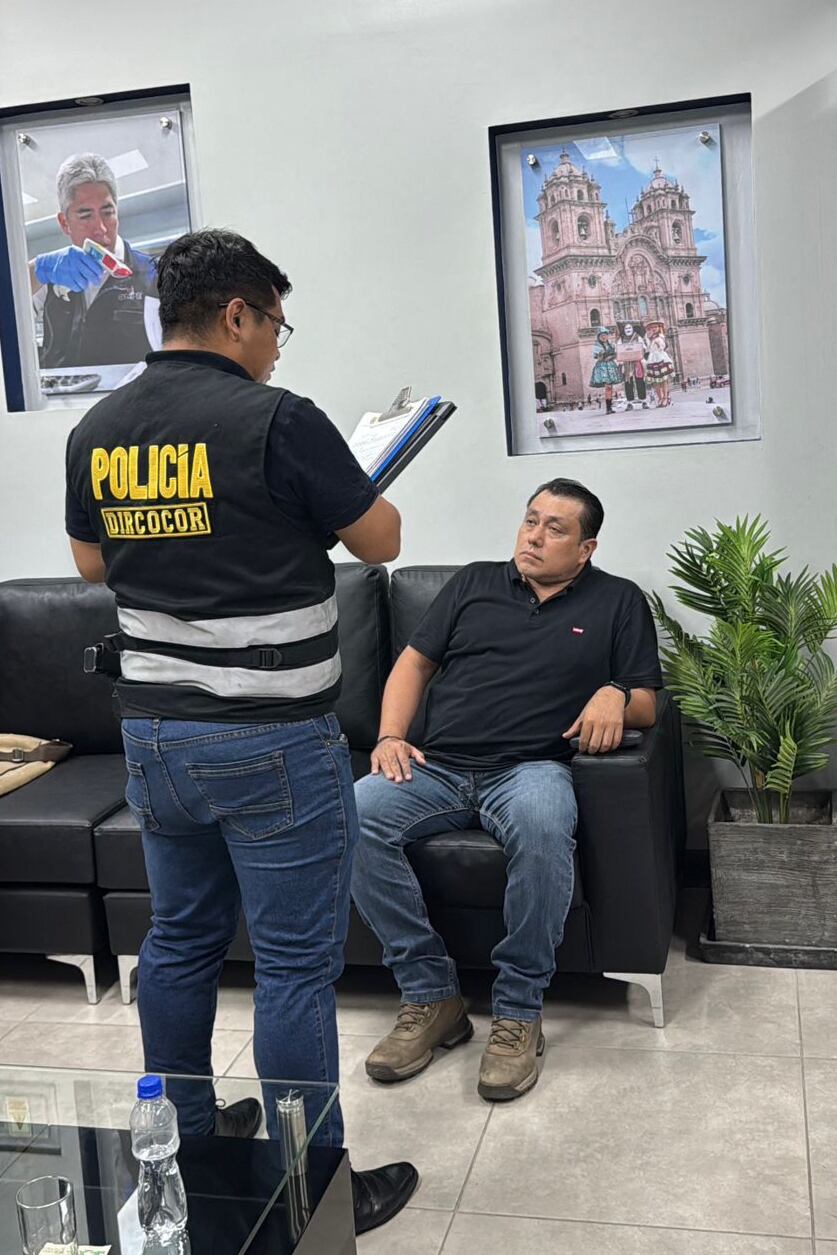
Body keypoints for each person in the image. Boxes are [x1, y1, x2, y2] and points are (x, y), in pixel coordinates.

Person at [64, 227, 417, 1235]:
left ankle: (179, 1135)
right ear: (237, 313)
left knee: (176, 943)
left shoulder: (99, 426)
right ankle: (317, 1185)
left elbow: (93, 566)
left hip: (157, 739)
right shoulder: (279, 420)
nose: (275, 346)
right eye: (274, 325)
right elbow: (383, 543)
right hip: (273, 743)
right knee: (296, 969)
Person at [351, 479, 662, 1102]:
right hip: (436, 765)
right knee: (350, 815)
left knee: (546, 832)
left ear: (586, 548)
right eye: (530, 521)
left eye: (555, 529)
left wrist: (616, 694)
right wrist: (389, 736)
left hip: (530, 769)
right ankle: (431, 995)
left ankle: (518, 1010)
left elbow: (648, 703)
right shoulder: (471, 584)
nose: (534, 536)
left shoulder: (620, 601)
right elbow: (413, 664)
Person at [29, 153, 158, 369]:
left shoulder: (153, 274)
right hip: (60, 400)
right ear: (64, 223)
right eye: (86, 215)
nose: (101, 228)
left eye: (108, 213)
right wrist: (37, 269)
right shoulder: (52, 276)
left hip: (125, 399)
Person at [643, 320, 675, 407]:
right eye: (652, 327)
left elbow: (663, 346)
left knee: (663, 380)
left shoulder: (660, 336)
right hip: (652, 359)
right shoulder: (648, 337)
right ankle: (660, 398)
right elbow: (647, 349)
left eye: (655, 327)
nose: (653, 329)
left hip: (660, 358)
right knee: (655, 381)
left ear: (659, 328)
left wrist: (659, 344)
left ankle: (665, 398)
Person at [589, 326, 621, 414]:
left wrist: (611, 356)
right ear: (599, 336)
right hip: (602, 367)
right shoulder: (597, 345)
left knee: (610, 387)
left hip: (610, 365)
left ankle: (609, 407)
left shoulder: (610, 344)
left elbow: (615, 354)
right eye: (602, 335)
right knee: (608, 387)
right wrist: (603, 356)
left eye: (605, 335)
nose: (604, 337)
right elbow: (598, 357)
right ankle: (608, 408)